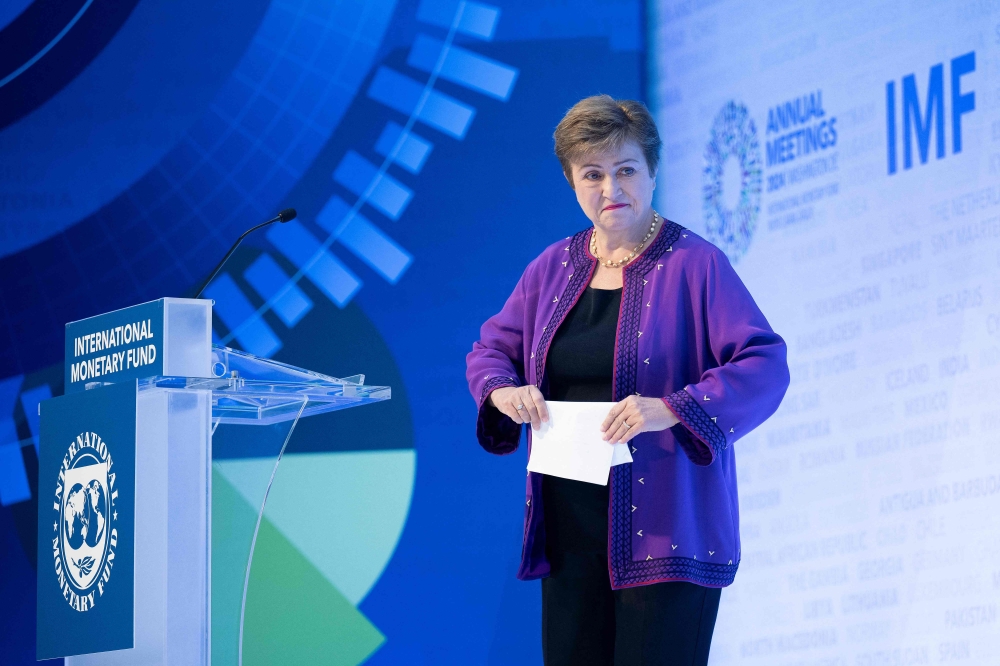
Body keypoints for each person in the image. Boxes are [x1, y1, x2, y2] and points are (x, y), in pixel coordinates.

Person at [465, 95, 789, 665]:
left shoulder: (696, 264)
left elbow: (764, 364)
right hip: (570, 530)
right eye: (592, 174)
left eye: (626, 170)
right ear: (572, 182)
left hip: (667, 531)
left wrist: (675, 407)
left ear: (653, 172)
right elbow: (491, 350)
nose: (611, 188)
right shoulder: (551, 268)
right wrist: (503, 390)